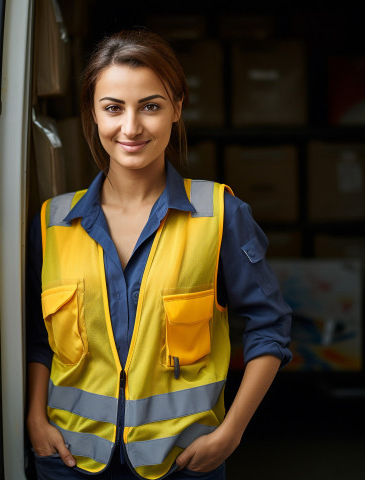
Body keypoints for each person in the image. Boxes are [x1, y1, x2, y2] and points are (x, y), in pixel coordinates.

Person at [26, 29, 292, 480]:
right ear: (92, 113)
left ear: (177, 108)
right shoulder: (53, 222)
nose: (130, 128)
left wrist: (231, 433)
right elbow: (37, 336)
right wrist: (35, 418)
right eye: (113, 108)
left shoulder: (220, 214)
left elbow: (270, 327)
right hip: (69, 462)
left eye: (150, 106)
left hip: (184, 465)